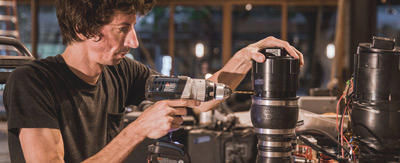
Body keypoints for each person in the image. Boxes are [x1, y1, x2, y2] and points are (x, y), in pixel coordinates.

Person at [4, 0, 304, 162]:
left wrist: (243, 58)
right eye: (123, 29)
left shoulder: (121, 72)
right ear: (83, 29)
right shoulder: (32, 83)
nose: (133, 41)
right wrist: (138, 130)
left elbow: (198, 97)